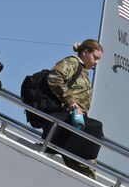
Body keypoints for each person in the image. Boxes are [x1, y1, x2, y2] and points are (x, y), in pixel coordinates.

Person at [42, 39, 105, 175]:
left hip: (74, 122)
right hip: (66, 120)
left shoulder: (83, 71)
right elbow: (54, 77)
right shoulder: (73, 63)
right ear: (84, 52)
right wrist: (70, 102)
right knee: (85, 168)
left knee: (87, 165)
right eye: (95, 57)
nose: (96, 62)